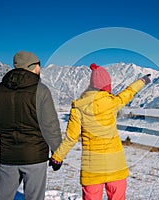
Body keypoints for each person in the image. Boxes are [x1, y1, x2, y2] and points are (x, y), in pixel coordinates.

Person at [50, 63, 151, 200]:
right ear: (106, 86)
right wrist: (142, 81)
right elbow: (128, 92)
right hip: (116, 166)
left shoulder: (78, 108)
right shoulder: (113, 102)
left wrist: (57, 157)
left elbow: (71, 138)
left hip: (92, 170)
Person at [0, 51, 62, 200]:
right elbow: (50, 127)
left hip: (8, 155)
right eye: (39, 65)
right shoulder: (41, 90)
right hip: (35, 156)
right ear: (33, 66)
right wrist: (57, 154)